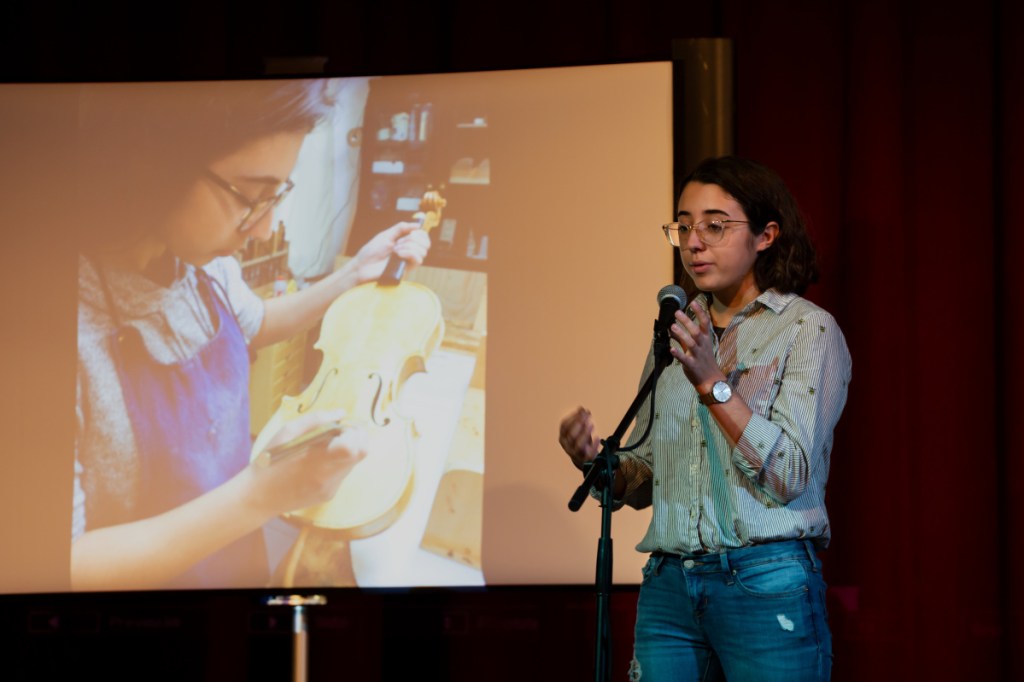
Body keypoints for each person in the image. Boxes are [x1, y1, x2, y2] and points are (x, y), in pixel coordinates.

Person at [73, 78, 430, 591]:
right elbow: (61, 562)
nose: (264, 229)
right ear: (154, 164)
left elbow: (256, 323)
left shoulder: (202, 263)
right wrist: (260, 496)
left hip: (235, 561)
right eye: (251, 196)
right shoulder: (50, 325)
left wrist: (353, 274)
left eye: (276, 196)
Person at [559, 156, 851, 681]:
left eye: (715, 226)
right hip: (669, 586)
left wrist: (713, 384)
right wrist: (594, 460)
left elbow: (791, 474)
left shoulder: (809, 331)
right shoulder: (677, 333)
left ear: (765, 235)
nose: (694, 241)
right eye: (684, 226)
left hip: (764, 582)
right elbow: (646, 476)